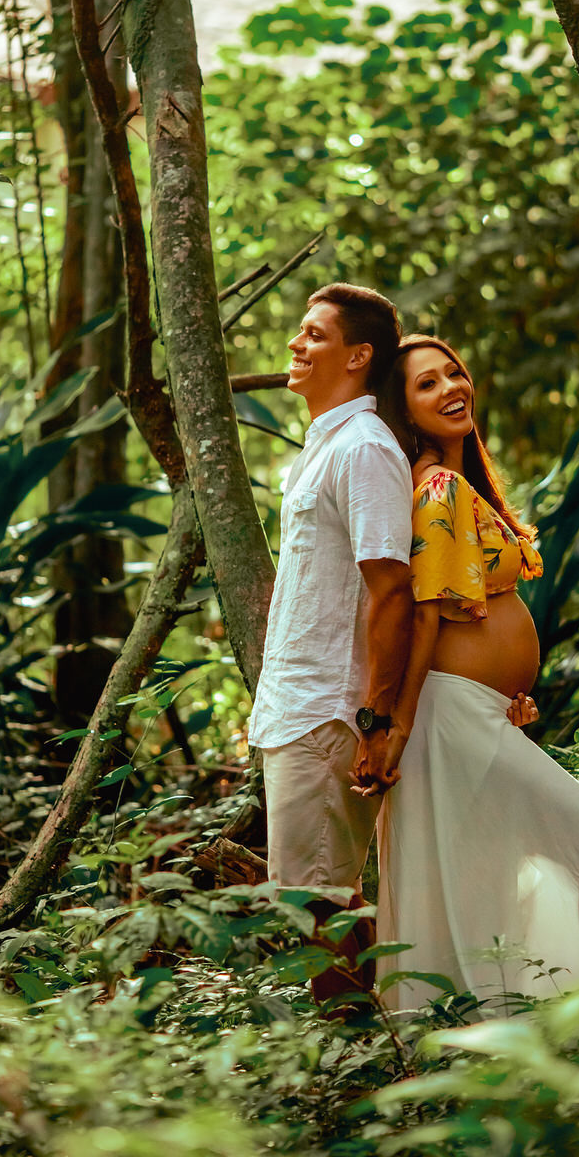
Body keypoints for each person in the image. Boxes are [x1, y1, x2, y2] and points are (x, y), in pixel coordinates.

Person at [360, 335, 579, 1009]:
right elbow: (426, 616)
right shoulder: (434, 486)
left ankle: (529, 1026)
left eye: (453, 373)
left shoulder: (462, 487)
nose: (449, 388)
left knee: (485, 874)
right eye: (426, 384)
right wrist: (396, 729)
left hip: (479, 712)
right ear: (404, 414)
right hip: (446, 715)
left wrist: (502, 699)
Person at [246, 283, 415, 1005]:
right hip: (297, 707)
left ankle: (351, 1073)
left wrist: (372, 721)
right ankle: (347, 1063)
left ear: (357, 357)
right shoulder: (326, 447)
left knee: (317, 904)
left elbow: (390, 590)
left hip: (329, 714)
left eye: (313, 334)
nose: (295, 343)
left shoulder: (366, 450)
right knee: (305, 899)